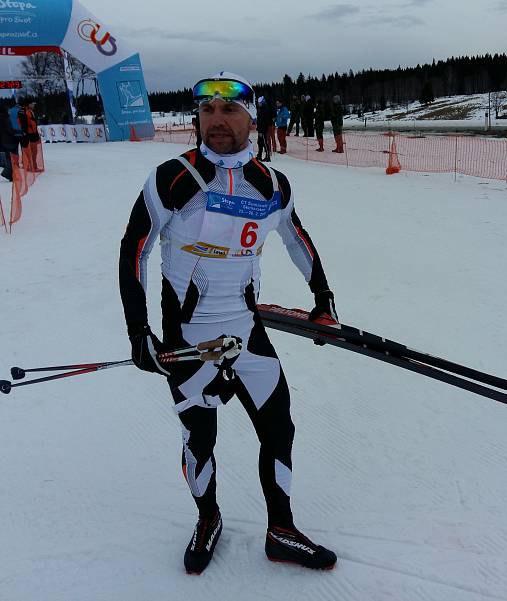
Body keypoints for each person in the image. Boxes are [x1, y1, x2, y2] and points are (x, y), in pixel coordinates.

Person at [118, 71, 338, 575]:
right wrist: (138, 333)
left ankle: (281, 529)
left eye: (229, 111)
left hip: (246, 334)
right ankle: (207, 517)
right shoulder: (171, 178)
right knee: (200, 441)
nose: (216, 121)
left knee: (279, 428)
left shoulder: (272, 185)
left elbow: (297, 240)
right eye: (207, 111)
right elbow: (134, 253)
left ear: (251, 119)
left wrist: (322, 298)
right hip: (188, 344)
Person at [0, 103, 19, 181]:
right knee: (12, 157)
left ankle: (10, 174)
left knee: (9, 157)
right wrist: (15, 132)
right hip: (9, 140)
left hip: (3, 139)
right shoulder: (5, 118)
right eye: (8, 110)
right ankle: (8, 173)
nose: (9, 111)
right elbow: (9, 129)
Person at [255, 96, 273, 161]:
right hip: (260, 129)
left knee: (264, 142)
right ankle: (259, 155)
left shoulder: (265, 110)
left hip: (263, 129)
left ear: (262, 102)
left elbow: (264, 121)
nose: (258, 104)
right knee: (260, 142)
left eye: (259, 103)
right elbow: (259, 120)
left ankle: (268, 156)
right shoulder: (261, 109)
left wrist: (261, 130)